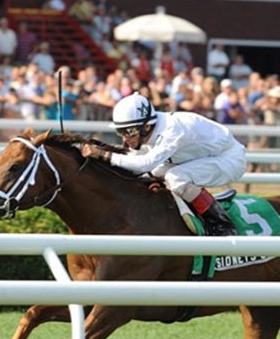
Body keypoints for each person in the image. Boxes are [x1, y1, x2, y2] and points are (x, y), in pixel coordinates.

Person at [79, 92, 246, 236]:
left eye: (129, 131)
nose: (125, 138)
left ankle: (222, 224)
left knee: (175, 177)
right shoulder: (149, 128)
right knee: (149, 175)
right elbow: (134, 162)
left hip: (229, 158)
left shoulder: (173, 129)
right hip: (198, 158)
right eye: (120, 132)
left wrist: (103, 154)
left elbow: (145, 163)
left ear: (146, 126)